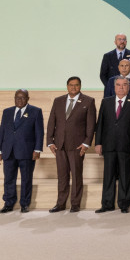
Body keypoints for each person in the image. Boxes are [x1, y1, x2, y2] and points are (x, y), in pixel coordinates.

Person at [45, 77, 96, 213]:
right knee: (62, 176)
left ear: (80, 86)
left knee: (76, 175)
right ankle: (60, 203)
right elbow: (51, 122)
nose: (73, 88)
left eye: (76, 85)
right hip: (59, 145)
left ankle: (75, 204)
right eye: (71, 85)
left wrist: (86, 143)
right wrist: (50, 141)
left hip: (77, 146)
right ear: (67, 86)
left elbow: (91, 125)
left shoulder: (88, 101)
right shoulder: (58, 101)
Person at [93, 78, 130, 213]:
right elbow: (100, 124)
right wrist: (98, 142)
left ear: (129, 87)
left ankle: (124, 203)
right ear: (114, 87)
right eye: (118, 85)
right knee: (108, 176)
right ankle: (107, 204)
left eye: (124, 85)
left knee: (125, 175)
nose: (121, 87)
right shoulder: (106, 101)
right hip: (108, 144)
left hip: (126, 144)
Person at [0, 90, 43, 213]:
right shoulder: (7, 112)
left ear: (28, 98)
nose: (20, 100)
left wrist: (37, 149)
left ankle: (24, 204)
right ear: (14, 98)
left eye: (23, 98)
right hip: (8, 151)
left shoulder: (36, 111)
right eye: (17, 98)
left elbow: (39, 132)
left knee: (26, 178)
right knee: (9, 179)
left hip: (27, 151)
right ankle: (8, 203)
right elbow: (2, 131)